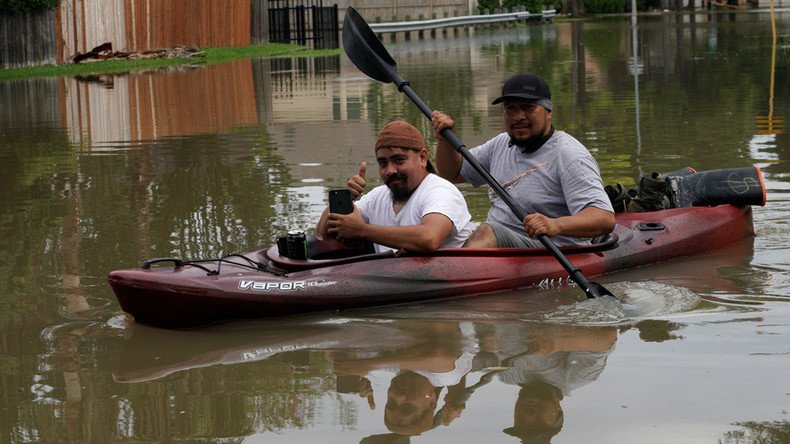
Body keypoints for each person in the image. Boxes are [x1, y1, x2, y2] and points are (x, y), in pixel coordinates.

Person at [431, 73, 615, 248]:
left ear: (548, 112)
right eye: (511, 108)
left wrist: (555, 225)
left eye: (528, 107)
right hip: (502, 239)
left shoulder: (570, 155)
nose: (519, 116)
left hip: (552, 247)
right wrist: (444, 141)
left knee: (487, 231)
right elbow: (452, 174)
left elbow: (604, 218)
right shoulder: (500, 144)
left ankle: (458, 275)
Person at [317, 120, 474, 254]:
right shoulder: (377, 197)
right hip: (393, 280)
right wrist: (344, 200)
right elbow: (322, 234)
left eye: (398, 160)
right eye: (383, 163)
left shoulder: (441, 191)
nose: (390, 170)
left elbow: (429, 238)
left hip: (444, 282)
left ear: (422, 158)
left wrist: (361, 230)